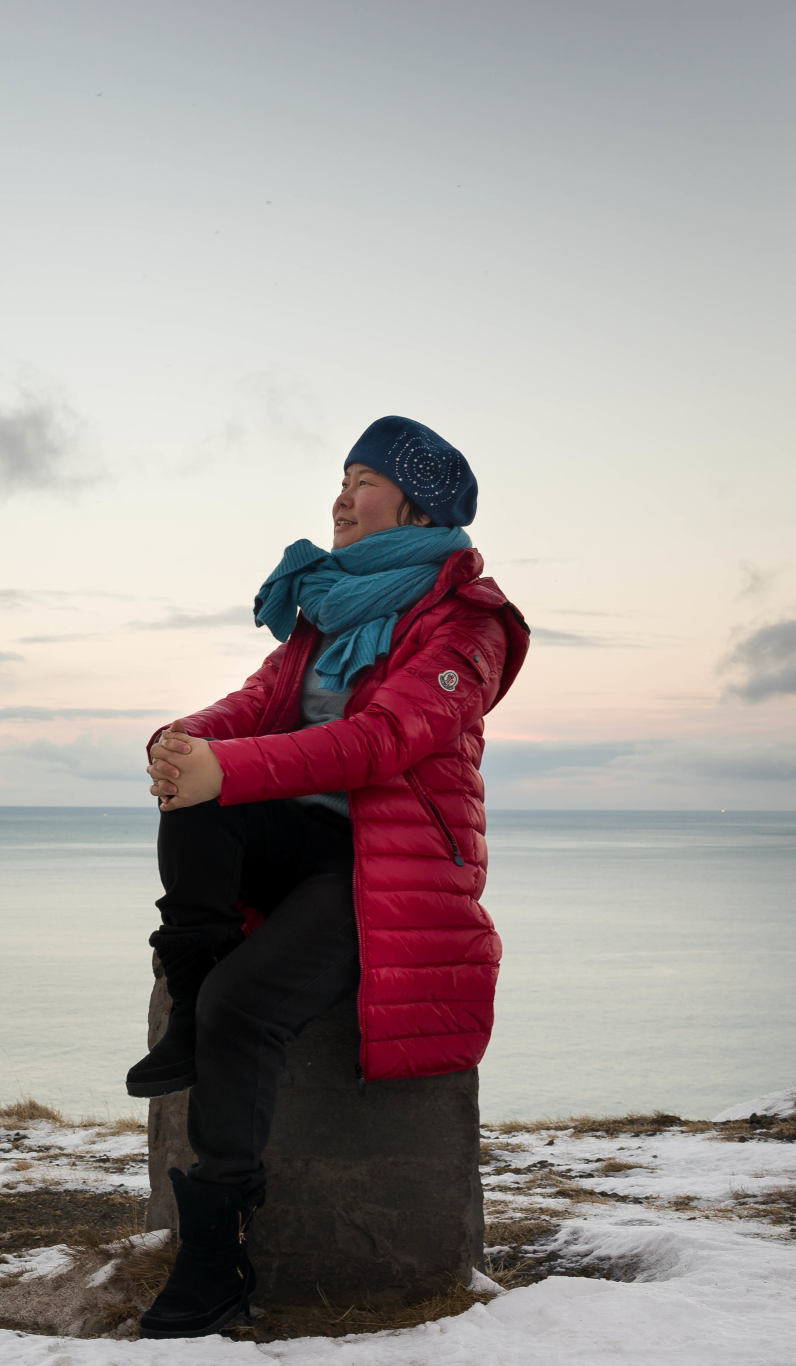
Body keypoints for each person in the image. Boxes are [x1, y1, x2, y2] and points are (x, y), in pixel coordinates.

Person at [129, 415, 529, 1339]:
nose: (341, 499)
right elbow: (258, 702)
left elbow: (384, 740)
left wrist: (228, 768)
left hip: (386, 867)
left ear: (417, 504)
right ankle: (188, 996)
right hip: (294, 843)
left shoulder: (469, 626)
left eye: (363, 480)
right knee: (198, 794)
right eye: (339, 480)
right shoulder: (329, 609)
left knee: (247, 1002)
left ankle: (214, 1256)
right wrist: (180, 741)